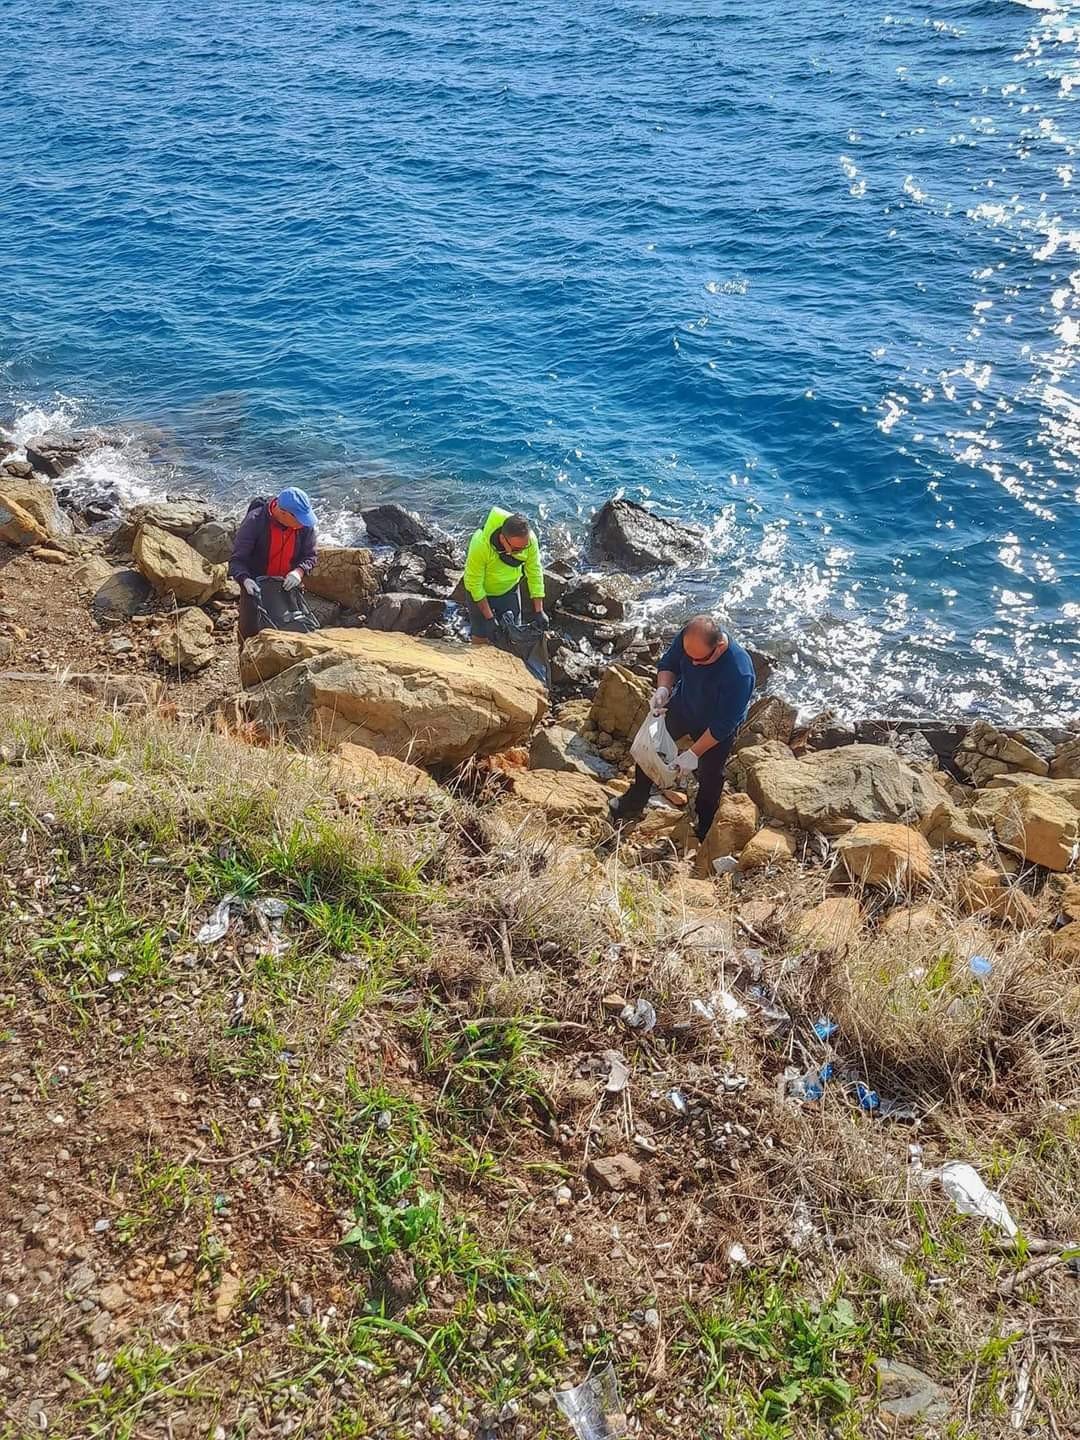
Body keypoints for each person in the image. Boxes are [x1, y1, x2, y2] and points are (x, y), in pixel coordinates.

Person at [610, 614, 755, 842]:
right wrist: (664, 690)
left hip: (715, 725)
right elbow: (669, 664)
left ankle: (704, 822)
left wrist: (693, 754)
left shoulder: (739, 672)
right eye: (691, 658)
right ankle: (635, 800)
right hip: (683, 706)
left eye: (700, 660)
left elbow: (723, 725)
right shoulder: (691, 639)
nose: (694, 664)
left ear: (720, 646)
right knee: (651, 745)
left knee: (710, 776)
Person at [229, 487, 318, 645]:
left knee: (290, 631)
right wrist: (245, 580)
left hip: (288, 586)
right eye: (299, 519)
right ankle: (247, 665)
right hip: (255, 589)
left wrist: (299, 572)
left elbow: (310, 555)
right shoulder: (254, 522)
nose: (303, 523)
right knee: (250, 635)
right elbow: (237, 561)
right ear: (283, 512)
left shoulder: (304, 525)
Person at [461, 507, 548, 643]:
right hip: (481, 594)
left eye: (524, 547)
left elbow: (534, 572)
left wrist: (539, 610)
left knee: (514, 636)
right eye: (516, 549)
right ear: (502, 539)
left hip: (509, 590)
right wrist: (489, 618)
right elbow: (474, 583)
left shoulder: (529, 540)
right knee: (481, 636)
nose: (520, 552)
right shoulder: (480, 544)